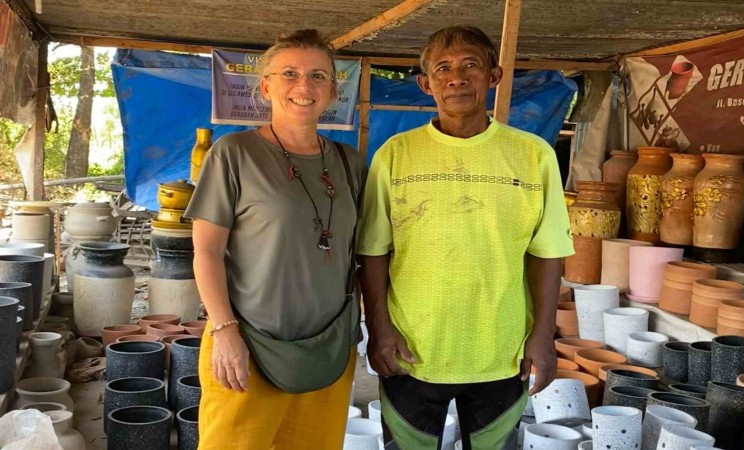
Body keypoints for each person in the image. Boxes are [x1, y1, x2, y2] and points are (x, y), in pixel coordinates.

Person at [358, 25, 574, 450]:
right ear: (426, 84)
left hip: (502, 350)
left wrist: (543, 335)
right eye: (443, 68)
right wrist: (379, 329)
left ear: (493, 76)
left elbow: (548, 253)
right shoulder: (396, 154)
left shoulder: (533, 155)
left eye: (470, 65)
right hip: (412, 350)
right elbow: (373, 251)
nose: (457, 78)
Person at [185, 29, 364, 450]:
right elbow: (206, 252)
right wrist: (224, 331)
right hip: (248, 347)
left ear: (333, 91)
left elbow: (360, 254)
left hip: (328, 349)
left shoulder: (349, 162)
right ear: (266, 87)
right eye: (289, 74)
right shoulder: (234, 154)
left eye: (318, 76)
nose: (304, 85)